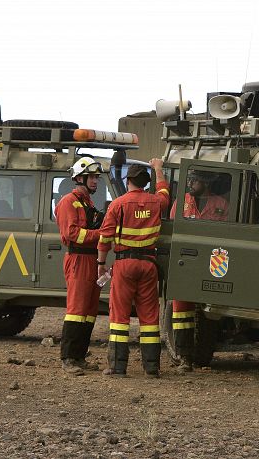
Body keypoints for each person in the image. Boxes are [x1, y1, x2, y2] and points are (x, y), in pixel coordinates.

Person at [97, 159, 170, 377]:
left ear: (128, 180)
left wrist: (101, 265)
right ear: (146, 183)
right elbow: (165, 191)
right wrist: (158, 168)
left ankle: (118, 367)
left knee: (119, 315)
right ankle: (151, 367)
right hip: (149, 264)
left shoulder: (117, 204)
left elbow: (105, 238)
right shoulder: (157, 202)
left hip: (124, 264)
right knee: (149, 316)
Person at [168, 170, 229, 372]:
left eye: (195, 181)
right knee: (181, 311)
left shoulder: (220, 204)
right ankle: (183, 357)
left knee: (210, 311)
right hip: (186, 262)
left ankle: (203, 353)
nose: (191, 183)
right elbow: (173, 228)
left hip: (213, 263)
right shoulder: (182, 202)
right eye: (191, 180)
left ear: (205, 183)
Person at [54, 156, 105, 374]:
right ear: (80, 178)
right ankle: (68, 359)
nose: (95, 181)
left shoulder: (88, 203)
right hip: (78, 259)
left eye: (96, 177)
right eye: (92, 177)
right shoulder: (69, 201)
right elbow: (71, 233)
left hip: (92, 259)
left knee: (89, 310)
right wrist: (100, 234)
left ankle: (79, 356)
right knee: (77, 310)